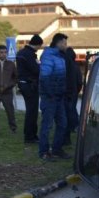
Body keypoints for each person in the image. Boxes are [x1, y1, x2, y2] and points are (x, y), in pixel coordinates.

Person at [38, 33, 70, 161]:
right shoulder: (48, 56)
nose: (66, 46)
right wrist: (50, 94)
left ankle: (56, 149)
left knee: (62, 124)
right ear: (59, 43)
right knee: (47, 125)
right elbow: (44, 77)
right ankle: (44, 152)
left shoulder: (60, 57)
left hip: (59, 96)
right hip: (50, 97)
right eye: (64, 43)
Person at [16, 35, 43, 144]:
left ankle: (30, 135)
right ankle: (30, 136)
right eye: (39, 46)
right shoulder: (30, 55)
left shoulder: (21, 53)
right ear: (37, 44)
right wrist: (39, 65)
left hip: (23, 84)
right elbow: (36, 70)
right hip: (30, 85)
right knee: (32, 111)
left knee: (30, 110)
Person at [64, 47, 83, 146]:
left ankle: (68, 133)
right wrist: (76, 90)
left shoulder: (64, 65)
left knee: (66, 114)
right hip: (74, 93)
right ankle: (74, 126)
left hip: (66, 93)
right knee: (72, 110)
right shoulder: (76, 66)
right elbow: (80, 82)